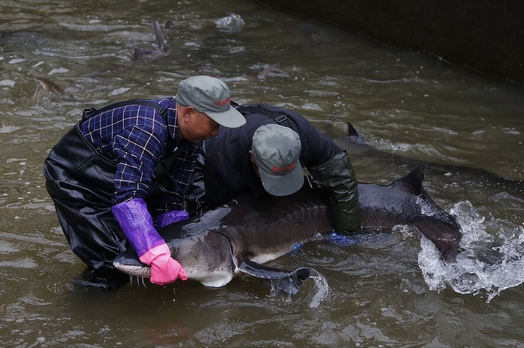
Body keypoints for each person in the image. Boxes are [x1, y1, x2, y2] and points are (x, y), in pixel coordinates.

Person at [43, 76, 246, 288]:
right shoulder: (147, 129)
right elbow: (128, 196)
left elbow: (172, 197)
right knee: (112, 263)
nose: (216, 133)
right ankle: (86, 307)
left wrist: (178, 247)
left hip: (119, 175)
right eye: (214, 124)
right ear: (188, 113)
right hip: (75, 177)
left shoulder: (192, 138)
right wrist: (155, 253)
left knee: (149, 245)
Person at [188, 103, 361, 234]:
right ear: (252, 158)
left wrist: (348, 233)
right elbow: (219, 222)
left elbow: (343, 182)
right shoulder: (224, 166)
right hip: (206, 157)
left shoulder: (305, 135)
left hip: (257, 122)